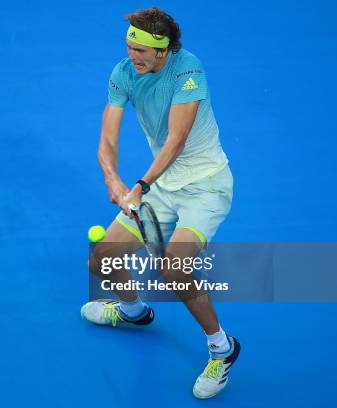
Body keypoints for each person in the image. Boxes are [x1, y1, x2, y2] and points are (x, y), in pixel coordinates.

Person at [80, 7, 240, 399]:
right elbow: (108, 137)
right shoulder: (122, 73)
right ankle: (134, 311)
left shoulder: (189, 70)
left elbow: (177, 139)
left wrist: (138, 184)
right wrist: (113, 180)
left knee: (174, 267)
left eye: (141, 50)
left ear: (164, 50)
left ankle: (222, 347)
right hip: (162, 187)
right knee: (102, 260)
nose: (132, 56)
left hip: (206, 187)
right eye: (129, 46)